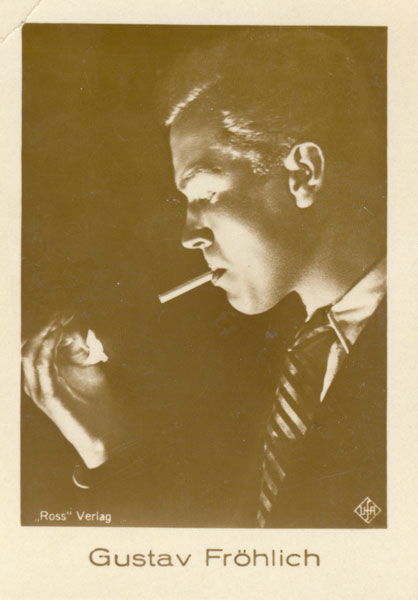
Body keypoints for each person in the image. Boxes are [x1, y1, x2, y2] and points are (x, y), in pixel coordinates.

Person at [21, 28, 386, 528]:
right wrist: (106, 448)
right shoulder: (275, 374)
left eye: (204, 193)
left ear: (302, 174)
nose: (189, 236)